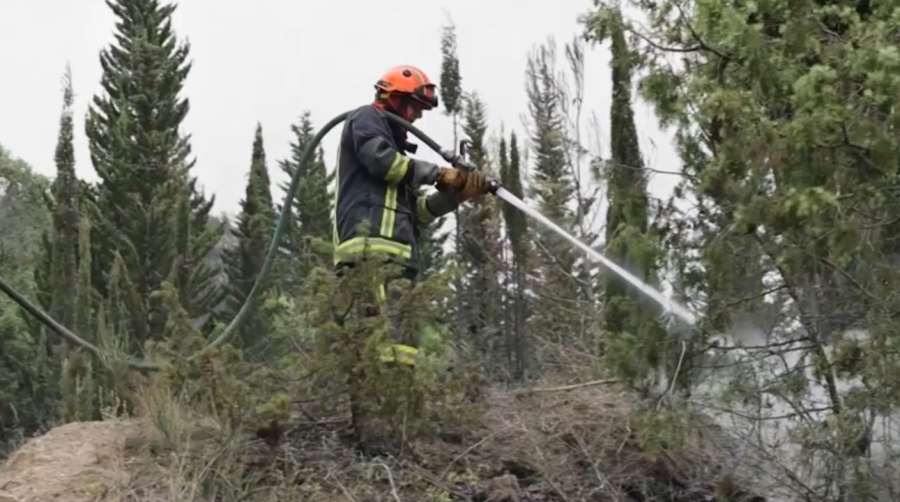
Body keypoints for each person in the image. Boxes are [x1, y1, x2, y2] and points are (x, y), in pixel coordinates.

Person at [332, 64, 489, 366]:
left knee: (402, 351)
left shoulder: (401, 162)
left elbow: (419, 212)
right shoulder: (365, 118)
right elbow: (383, 163)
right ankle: (371, 405)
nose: (417, 116)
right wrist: (440, 174)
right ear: (393, 98)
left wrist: (456, 195)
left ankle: (399, 404)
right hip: (367, 252)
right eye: (414, 107)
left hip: (399, 257)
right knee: (372, 344)